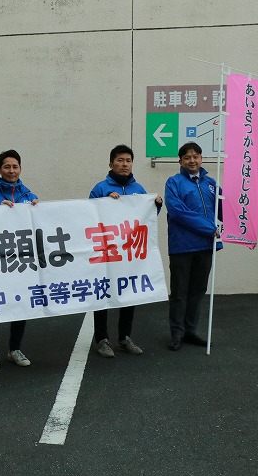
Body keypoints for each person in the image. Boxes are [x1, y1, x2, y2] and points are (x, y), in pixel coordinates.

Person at [88, 145, 162, 358]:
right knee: (103, 293)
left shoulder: (138, 189)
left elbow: (145, 218)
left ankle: (124, 337)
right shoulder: (100, 188)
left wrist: (156, 205)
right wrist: (105, 202)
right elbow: (88, 215)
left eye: (128, 160)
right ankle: (102, 339)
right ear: (111, 164)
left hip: (129, 254)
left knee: (130, 293)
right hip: (107, 252)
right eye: (120, 160)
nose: (124, 164)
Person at [0, 149, 38, 370]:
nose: (11, 171)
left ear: (20, 169)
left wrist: (38, 211)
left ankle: (15, 349)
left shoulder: (29, 196)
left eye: (15, 167)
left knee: (20, 304)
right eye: (7, 167)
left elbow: (37, 226)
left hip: (20, 261)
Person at [164, 141, 222, 351]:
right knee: (179, 293)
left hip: (205, 247)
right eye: (187, 157)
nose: (192, 160)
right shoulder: (174, 183)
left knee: (197, 291)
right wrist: (208, 228)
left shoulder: (212, 184)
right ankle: (177, 333)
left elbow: (222, 211)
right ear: (180, 161)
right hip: (182, 247)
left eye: (195, 156)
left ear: (201, 159)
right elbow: (178, 212)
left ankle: (190, 330)